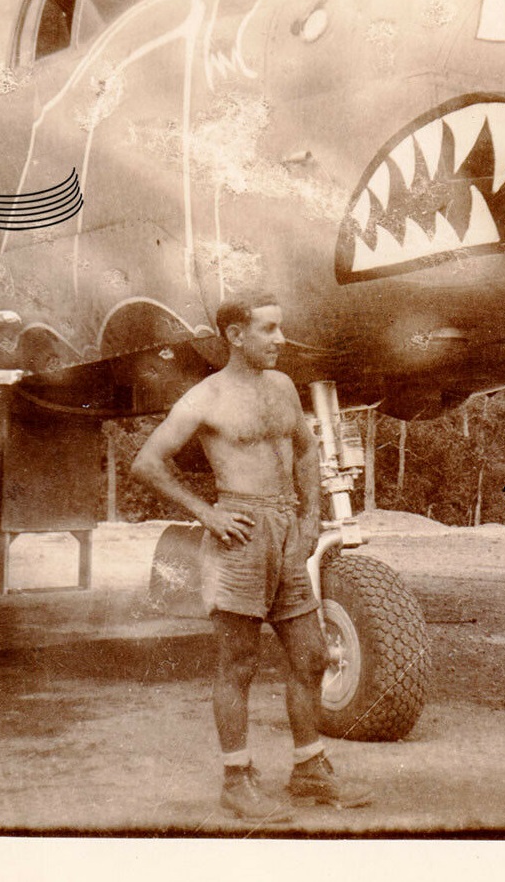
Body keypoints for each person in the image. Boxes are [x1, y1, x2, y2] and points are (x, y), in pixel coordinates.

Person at [131, 291, 372, 822]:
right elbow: (146, 463)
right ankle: (236, 780)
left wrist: (309, 517)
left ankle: (309, 770)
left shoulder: (282, 386)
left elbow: (305, 449)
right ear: (235, 336)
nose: (280, 339)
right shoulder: (205, 397)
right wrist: (207, 514)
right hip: (239, 533)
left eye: (279, 327)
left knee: (310, 654)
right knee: (238, 662)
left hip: (286, 527)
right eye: (268, 329)